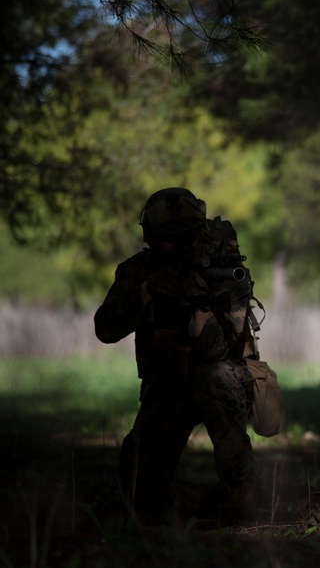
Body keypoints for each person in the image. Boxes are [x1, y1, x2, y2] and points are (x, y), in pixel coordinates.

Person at [94, 187, 258, 526]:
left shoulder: (224, 269)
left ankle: (240, 491)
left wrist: (202, 310)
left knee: (216, 376)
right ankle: (209, 500)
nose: (181, 247)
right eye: (169, 240)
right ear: (152, 241)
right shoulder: (140, 271)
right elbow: (105, 329)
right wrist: (146, 291)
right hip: (169, 386)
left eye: (188, 238)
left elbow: (222, 351)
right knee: (140, 493)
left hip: (217, 382)